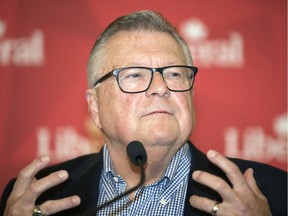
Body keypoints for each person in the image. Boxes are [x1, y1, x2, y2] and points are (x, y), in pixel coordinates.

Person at [0, 10, 286, 216]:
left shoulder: (271, 192)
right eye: (135, 75)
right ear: (95, 107)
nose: (161, 88)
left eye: (174, 74)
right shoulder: (37, 199)